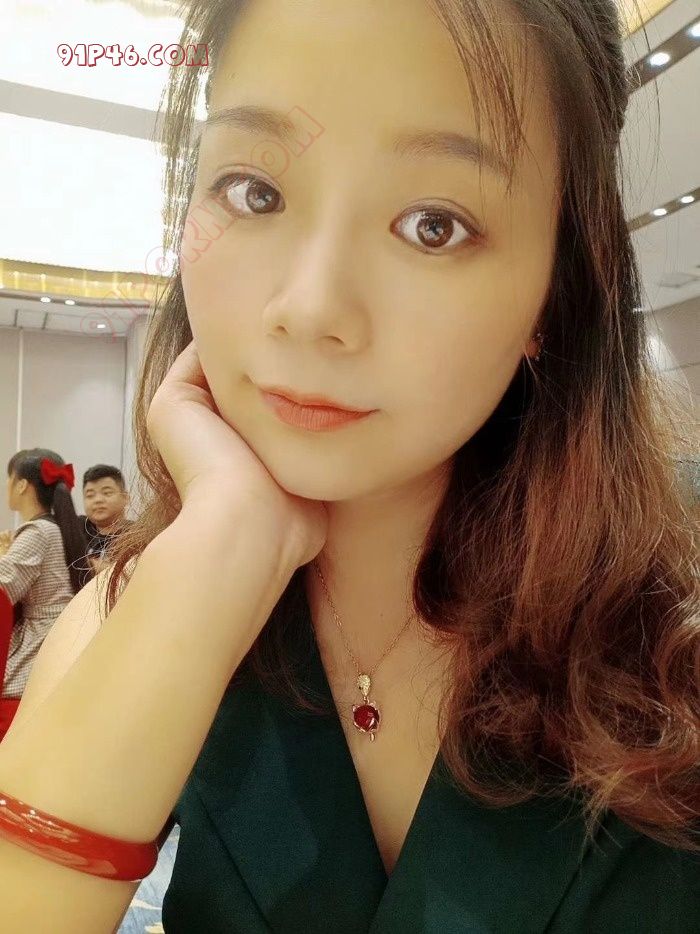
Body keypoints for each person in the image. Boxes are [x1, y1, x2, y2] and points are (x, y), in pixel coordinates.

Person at [0, 0, 698, 931]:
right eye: (254, 192)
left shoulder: (670, 637)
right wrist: (219, 556)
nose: (310, 306)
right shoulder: (141, 610)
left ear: (556, 288)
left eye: (434, 225)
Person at [0, 450, 89, 708]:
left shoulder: (38, 531)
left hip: (38, 642)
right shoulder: (57, 527)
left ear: (21, 485)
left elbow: (4, 586)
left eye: (8, 478)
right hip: (60, 635)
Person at [78, 465, 132, 576]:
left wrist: (88, 564)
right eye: (90, 495)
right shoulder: (78, 530)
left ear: (126, 498)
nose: (98, 500)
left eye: (107, 493)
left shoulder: (138, 535)